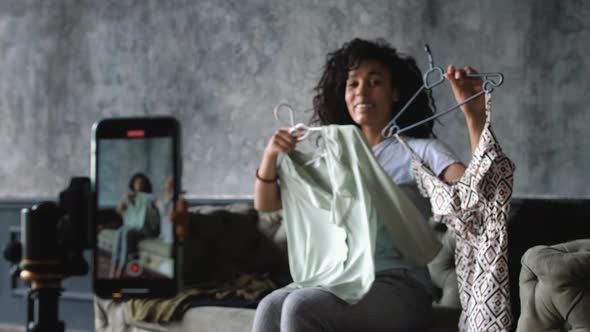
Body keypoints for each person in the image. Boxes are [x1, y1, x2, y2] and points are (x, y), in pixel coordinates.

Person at [252, 38, 487, 332]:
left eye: (375, 81)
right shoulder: (335, 157)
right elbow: (267, 204)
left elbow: (477, 193)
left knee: (301, 306)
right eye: (353, 84)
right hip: (340, 280)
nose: (362, 91)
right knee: (270, 306)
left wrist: (475, 117)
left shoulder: (419, 151)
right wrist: (271, 155)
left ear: (395, 92)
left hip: (400, 287)